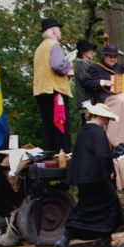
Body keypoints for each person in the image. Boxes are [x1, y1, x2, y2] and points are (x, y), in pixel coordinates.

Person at [54, 101, 124, 247]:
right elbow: (102, 155)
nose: (106, 122)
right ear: (100, 117)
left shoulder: (83, 130)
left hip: (83, 178)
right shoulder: (98, 132)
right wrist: (110, 171)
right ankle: (105, 242)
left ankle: (65, 237)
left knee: (84, 208)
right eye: (106, 119)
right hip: (98, 177)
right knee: (112, 205)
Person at [81, 44, 124, 147]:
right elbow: (85, 81)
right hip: (105, 99)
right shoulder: (96, 67)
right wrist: (103, 82)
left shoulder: (120, 68)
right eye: (110, 57)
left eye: (115, 57)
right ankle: (115, 137)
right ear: (105, 56)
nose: (113, 59)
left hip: (121, 97)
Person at [32, 17, 73, 153]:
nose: (60, 32)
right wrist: (69, 64)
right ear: (55, 31)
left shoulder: (39, 49)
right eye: (59, 30)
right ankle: (64, 160)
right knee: (61, 127)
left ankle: (49, 160)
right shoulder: (54, 45)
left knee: (49, 127)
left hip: (41, 91)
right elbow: (57, 65)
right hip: (55, 91)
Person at [73, 39, 98, 124]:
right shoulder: (81, 65)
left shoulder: (85, 64)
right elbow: (86, 82)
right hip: (86, 103)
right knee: (88, 127)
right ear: (83, 52)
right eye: (89, 50)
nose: (92, 52)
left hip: (89, 103)